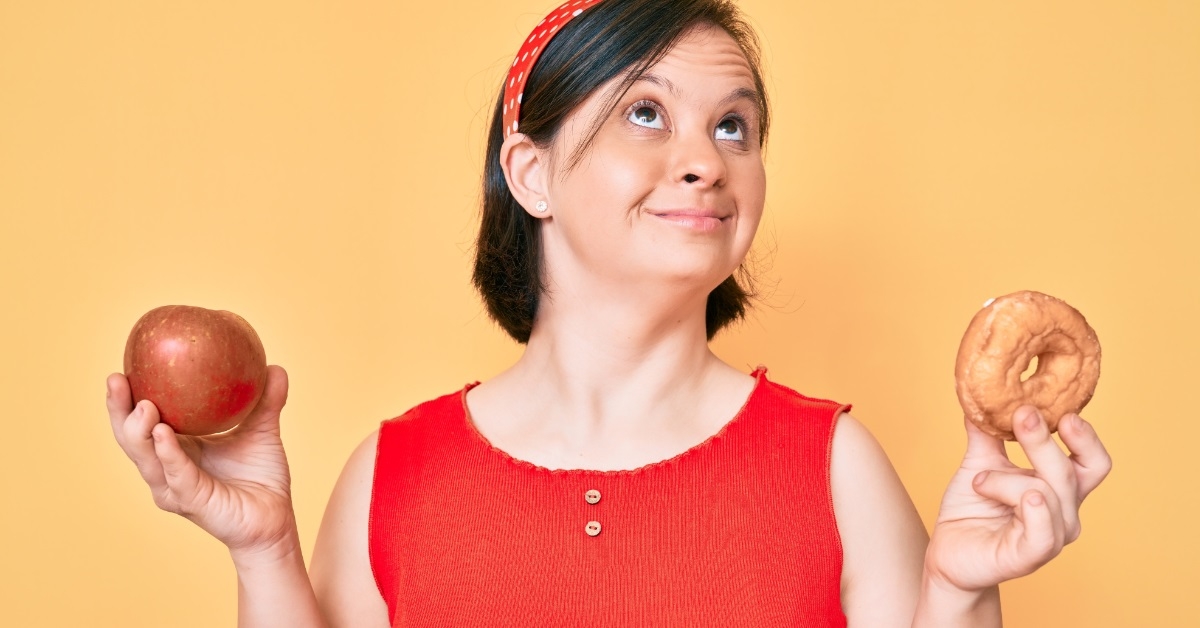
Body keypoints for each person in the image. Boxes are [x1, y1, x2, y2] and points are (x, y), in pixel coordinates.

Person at [105, 0, 1111, 626]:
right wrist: (262, 550)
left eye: (735, 125)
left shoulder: (834, 463)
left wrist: (965, 587)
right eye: (646, 111)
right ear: (530, 172)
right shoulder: (393, 473)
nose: (706, 159)